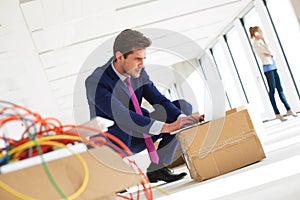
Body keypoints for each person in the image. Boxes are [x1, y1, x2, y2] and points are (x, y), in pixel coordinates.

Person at [85, 29, 204, 183]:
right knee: (115, 185)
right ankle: (112, 175)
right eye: (137, 59)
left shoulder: (139, 71)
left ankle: (157, 168)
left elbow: (158, 99)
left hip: (139, 130)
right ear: (120, 57)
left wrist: (182, 120)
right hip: (114, 142)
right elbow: (122, 115)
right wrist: (167, 127)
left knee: (182, 107)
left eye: (144, 58)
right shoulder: (96, 81)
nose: (142, 64)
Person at [249, 26, 298, 122]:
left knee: (280, 89)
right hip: (267, 68)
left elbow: (271, 53)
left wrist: (265, 42)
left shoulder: (262, 42)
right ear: (255, 33)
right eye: (260, 32)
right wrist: (266, 47)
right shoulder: (256, 44)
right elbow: (269, 52)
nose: (262, 33)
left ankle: (289, 109)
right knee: (272, 90)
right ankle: (277, 114)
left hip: (273, 66)